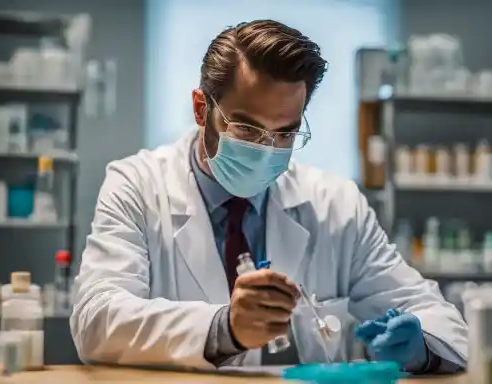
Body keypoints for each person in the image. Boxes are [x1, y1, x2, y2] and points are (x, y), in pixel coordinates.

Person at [70, 19, 468, 373]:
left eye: (285, 134)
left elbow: (437, 318)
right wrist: (224, 328)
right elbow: (97, 321)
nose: (265, 149)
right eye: (245, 128)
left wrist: (423, 349)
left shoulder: (336, 204)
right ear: (200, 108)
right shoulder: (136, 186)